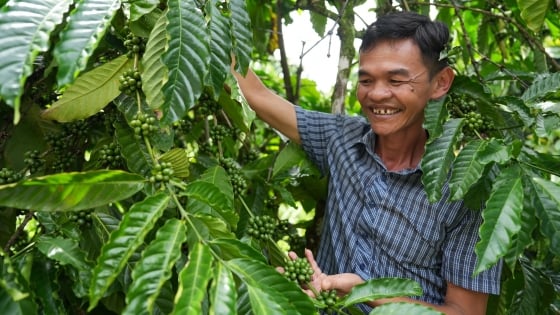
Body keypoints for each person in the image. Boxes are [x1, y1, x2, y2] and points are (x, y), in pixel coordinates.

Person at [231, 11, 502, 315]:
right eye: (366, 80)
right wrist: (207, 19)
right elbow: (256, 94)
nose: (377, 94)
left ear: (440, 83)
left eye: (396, 80)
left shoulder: (467, 192)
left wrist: (366, 291)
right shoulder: (341, 140)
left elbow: (466, 312)